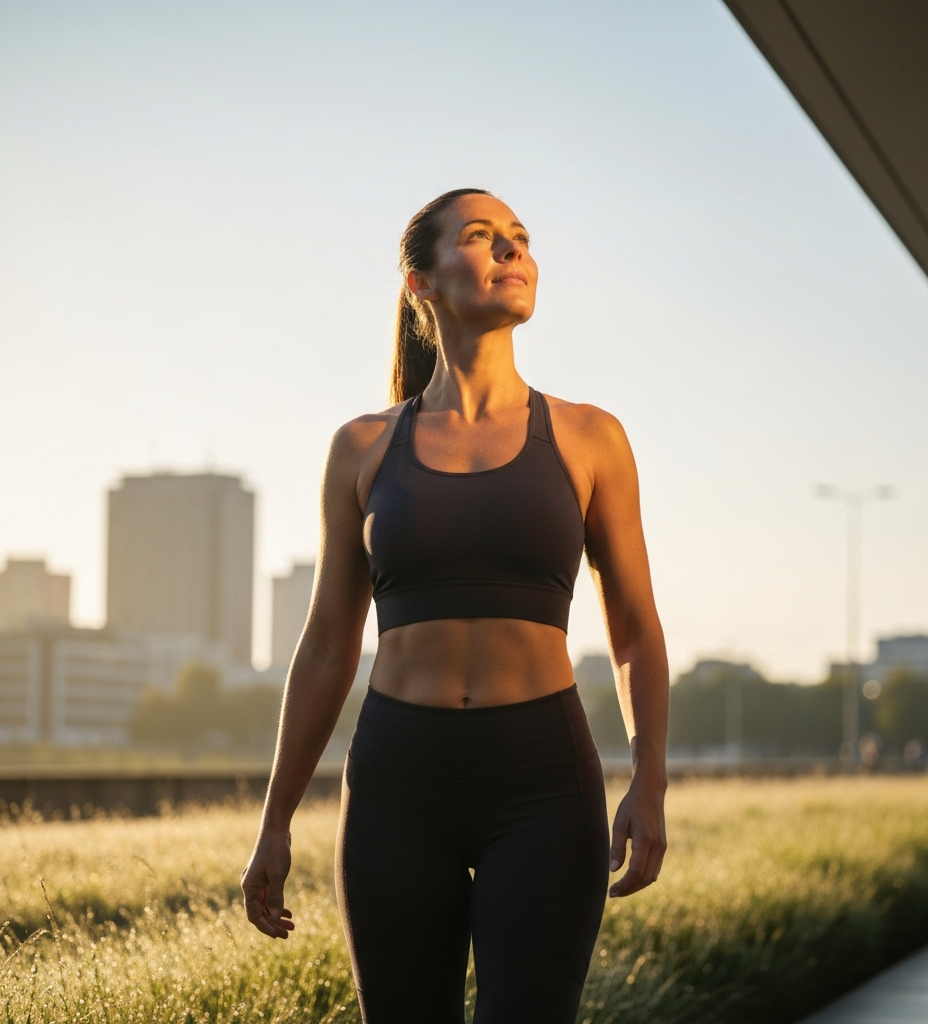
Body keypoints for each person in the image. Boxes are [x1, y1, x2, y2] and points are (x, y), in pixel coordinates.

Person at [241, 188, 669, 1024]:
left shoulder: (590, 437)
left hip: (543, 782)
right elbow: (329, 645)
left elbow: (634, 631)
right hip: (399, 782)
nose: (512, 251)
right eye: (482, 238)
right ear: (420, 284)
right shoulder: (362, 447)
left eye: (521, 239)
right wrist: (276, 822)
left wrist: (648, 780)